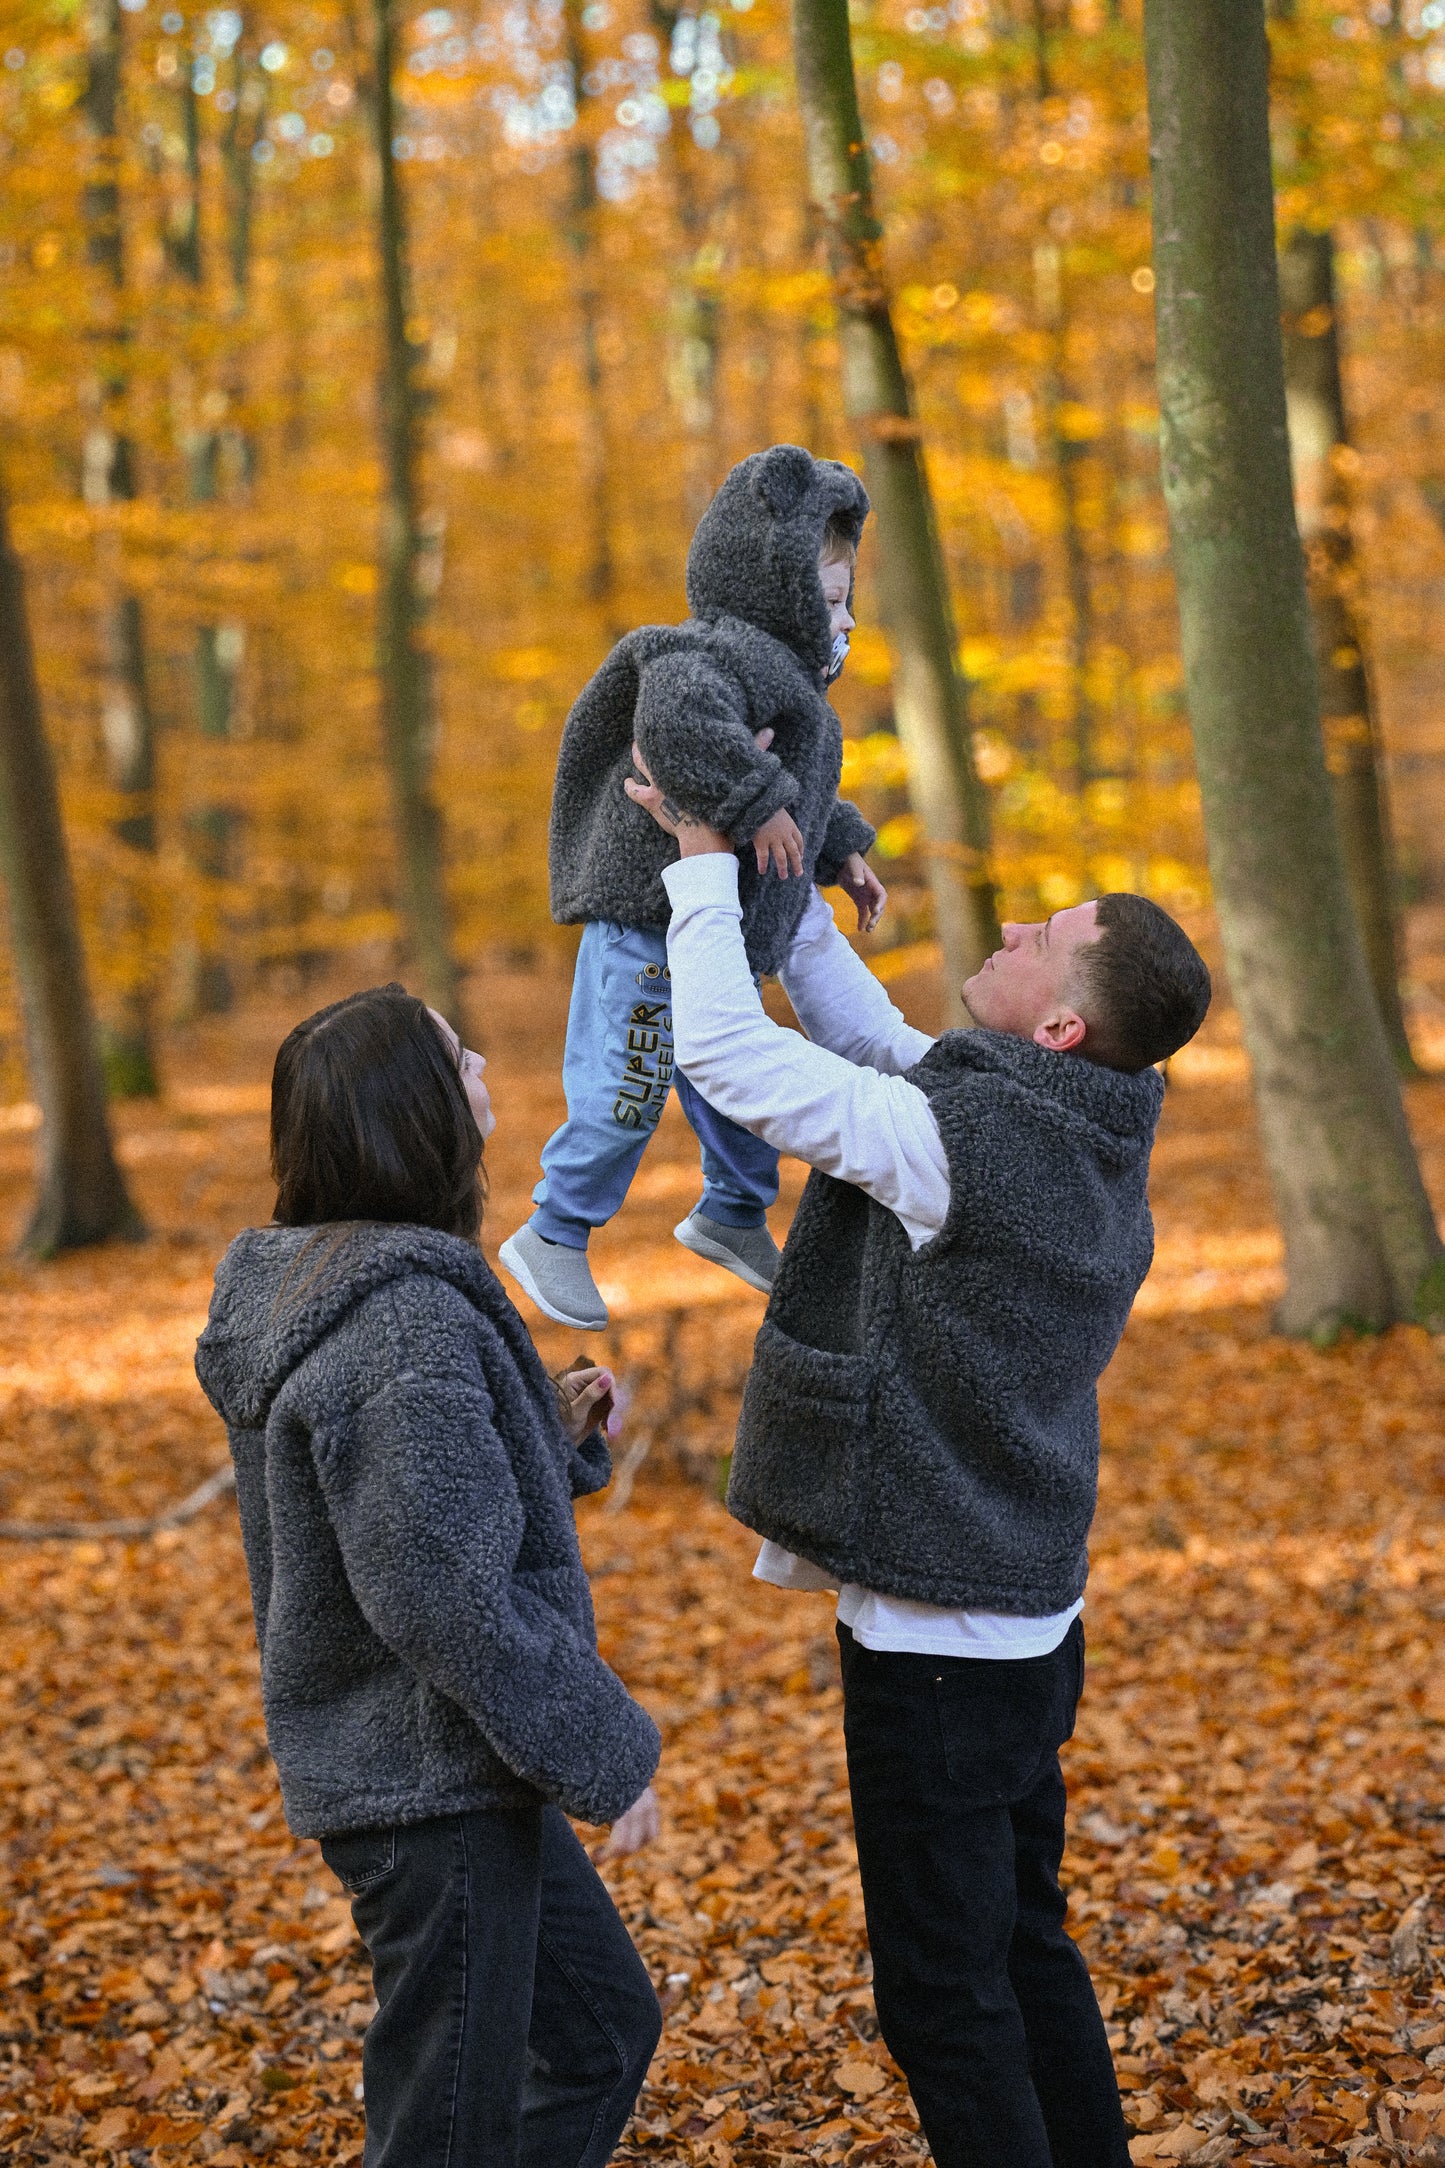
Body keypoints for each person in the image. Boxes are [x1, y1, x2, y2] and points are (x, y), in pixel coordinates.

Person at [623, 762, 1211, 2168]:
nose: (1008, 930)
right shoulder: (1075, 1135)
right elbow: (882, 1047)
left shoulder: (972, 1151)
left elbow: (732, 1061)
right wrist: (796, 895)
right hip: (1023, 1621)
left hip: (942, 1649)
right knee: (1021, 1946)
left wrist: (703, 864)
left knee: (943, 1998)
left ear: (1059, 1022)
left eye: (1038, 941)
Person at [194, 984, 663, 2168]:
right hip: (428, 1780)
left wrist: (542, 1429)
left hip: (443, 1765)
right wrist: (604, 1748)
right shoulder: (401, 1324)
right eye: (459, 1061)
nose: (485, 1071)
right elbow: (435, 1589)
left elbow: (410, 1511)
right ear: (412, 1113)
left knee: (600, 2030)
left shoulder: (341, 1286)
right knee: (444, 2128)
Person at [498, 442, 887, 1335]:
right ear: (774, 588)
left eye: (847, 600)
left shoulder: (789, 688)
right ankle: (553, 1231)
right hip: (648, 921)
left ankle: (733, 1212)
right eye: (828, 600)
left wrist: (842, 852)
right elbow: (675, 725)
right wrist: (756, 806)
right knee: (627, 1087)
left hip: (716, 938)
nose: (844, 620)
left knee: (739, 1074)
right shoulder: (705, 653)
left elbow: (801, 793)